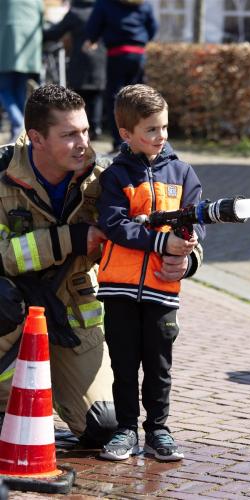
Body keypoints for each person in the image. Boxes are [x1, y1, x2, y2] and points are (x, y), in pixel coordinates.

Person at [0, 83, 202, 447]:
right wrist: (72, 240)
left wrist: (187, 259)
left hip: (70, 311)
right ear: (36, 138)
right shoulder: (1, 175)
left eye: (86, 131)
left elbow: (161, 223)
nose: (83, 143)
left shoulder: (105, 178)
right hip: (7, 307)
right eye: (69, 135)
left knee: (105, 427)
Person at [96, 84, 205, 462]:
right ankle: (126, 429)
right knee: (124, 363)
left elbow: (196, 220)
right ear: (127, 134)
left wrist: (188, 245)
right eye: (152, 130)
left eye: (164, 127)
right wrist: (161, 244)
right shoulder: (115, 176)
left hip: (163, 290)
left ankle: (159, 429)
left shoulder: (183, 172)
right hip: (119, 291)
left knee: (159, 365)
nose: (162, 136)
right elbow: (114, 225)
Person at [83, 0, 158, 152]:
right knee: (139, 99)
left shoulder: (105, 3)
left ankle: (119, 141)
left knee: (115, 98)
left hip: (117, 54)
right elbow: (153, 28)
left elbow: (92, 28)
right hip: (138, 54)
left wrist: (92, 39)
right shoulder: (144, 4)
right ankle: (141, 140)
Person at [44, 0, 107, 140]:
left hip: (80, 61)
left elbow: (55, 33)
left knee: (79, 97)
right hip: (101, 59)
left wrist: (40, 32)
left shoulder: (75, 13)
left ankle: (80, 128)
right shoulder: (102, 10)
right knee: (96, 96)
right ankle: (96, 128)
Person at [0, 0, 43, 143]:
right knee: (19, 87)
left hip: (6, 40)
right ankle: (20, 129)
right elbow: (41, 14)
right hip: (29, 43)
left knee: (4, 88)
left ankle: (19, 124)